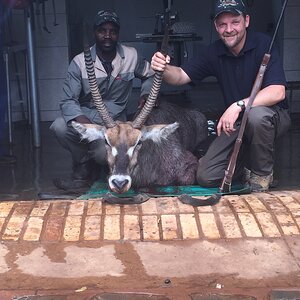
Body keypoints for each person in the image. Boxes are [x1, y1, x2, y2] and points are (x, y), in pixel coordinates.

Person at [151, 0, 291, 192]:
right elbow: (181, 76)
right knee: (206, 176)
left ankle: (262, 175)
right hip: (237, 122)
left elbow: (277, 91)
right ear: (216, 27)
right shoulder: (214, 52)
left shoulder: (264, 43)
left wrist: (237, 106)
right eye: (222, 24)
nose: (229, 29)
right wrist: (163, 68)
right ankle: (246, 163)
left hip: (270, 116)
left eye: (235, 22)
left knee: (256, 117)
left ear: (246, 21)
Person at [51, 10, 155, 191]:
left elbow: (151, 75)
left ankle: (102, 167)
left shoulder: (131, 56)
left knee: (101, 153)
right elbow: (67, 100)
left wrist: (145, 94)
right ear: (95, 33)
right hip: (86, 117)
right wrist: (84, 123)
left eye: (112, 31)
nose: (107, 35)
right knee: (59, 126)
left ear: (118, 34)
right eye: (102, 30)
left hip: (116, 123)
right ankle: (83, 165)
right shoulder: (79, 62)